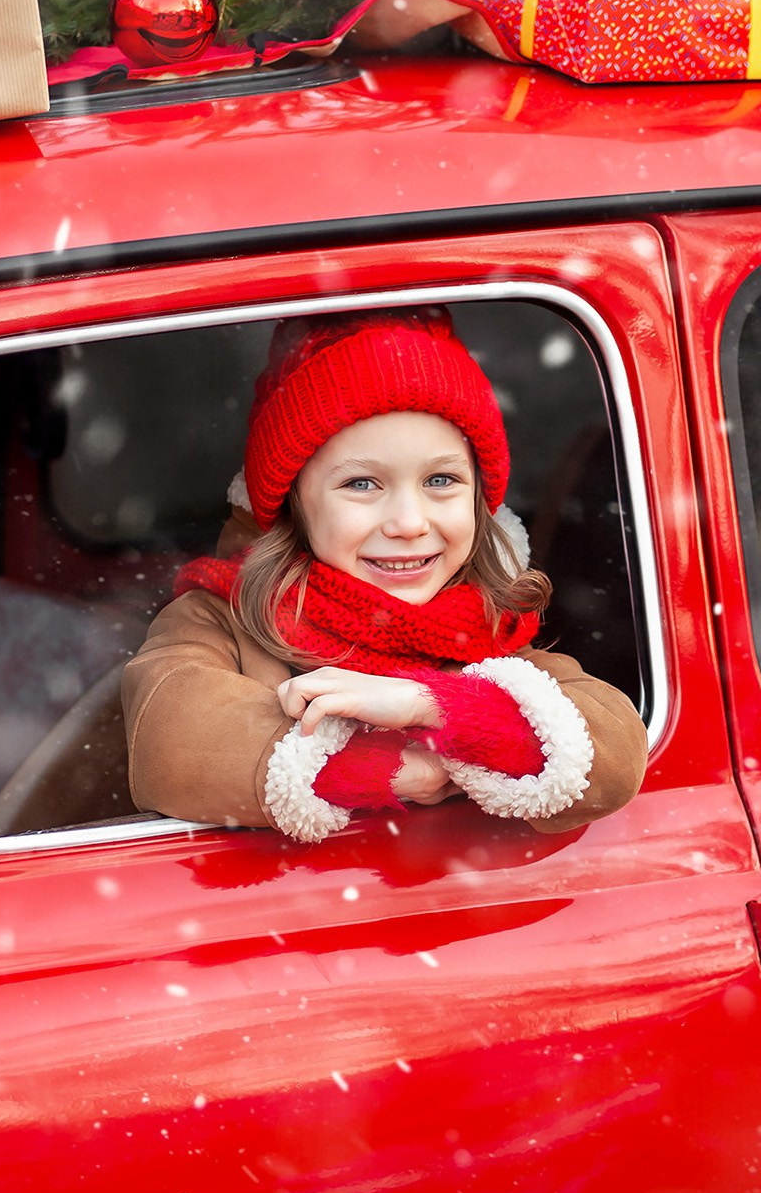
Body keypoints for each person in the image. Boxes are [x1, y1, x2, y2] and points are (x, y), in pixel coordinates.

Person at [123, 309, 649, 842]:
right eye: (362, 484)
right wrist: (380, 765)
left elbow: (612, 753)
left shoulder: (485, 626)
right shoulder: (223, 615)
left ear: (478, 500)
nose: (408, 523)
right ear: (295, 504)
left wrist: (438, 706)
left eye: (440, 480)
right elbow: (169, 733)